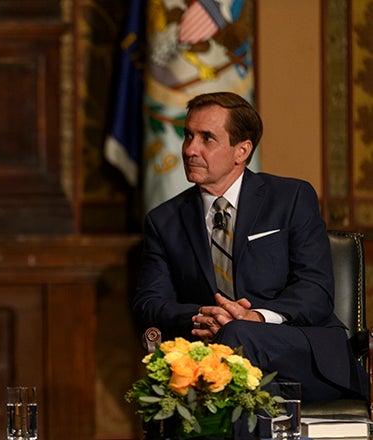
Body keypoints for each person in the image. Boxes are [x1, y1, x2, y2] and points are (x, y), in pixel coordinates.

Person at [132, 91, 367, 404]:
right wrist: (205, 315)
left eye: (207, 138)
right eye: (188, 135)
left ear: (241, 150)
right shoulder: (164, 220)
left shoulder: (291, 198)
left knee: (235, 337)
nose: (190, 149)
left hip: (299, 356)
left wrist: (254, 318)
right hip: (214, 361)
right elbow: (149, 303)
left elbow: (316, 292)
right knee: (229, 370)